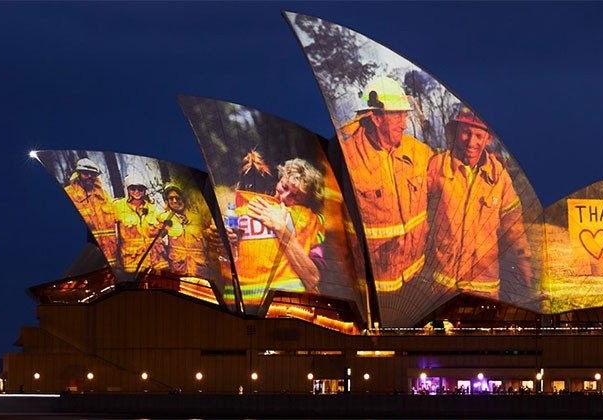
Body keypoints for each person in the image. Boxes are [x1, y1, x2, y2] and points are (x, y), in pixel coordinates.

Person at [425, 107, 534, 299]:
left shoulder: (499, 177)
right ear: (456, 132)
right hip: (441, 286)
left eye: (478, 135)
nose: (471, 142)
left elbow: (514, 226)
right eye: (466, 133)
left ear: (488, 138)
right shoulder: (437, 166)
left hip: (484, 286)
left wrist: (524, 262)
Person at [339, 76, 433, 292]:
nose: (404, 123)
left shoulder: (418, 152)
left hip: (415, 276)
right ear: (376, 118)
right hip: (375, 287)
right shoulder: (347, 158)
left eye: (405, 115)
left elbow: (445, 175)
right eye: (397, 115)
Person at [229, 158, 325, 308]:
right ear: (280, 178)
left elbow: (313, 278)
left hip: (287, 308)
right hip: (240, 304)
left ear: (306, 202)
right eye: (284, 186)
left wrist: (281, 228)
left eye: (295, 196)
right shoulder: (245, 205)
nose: (284, 197)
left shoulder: (308, 221)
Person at [63, 158, 117, 266]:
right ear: (78, 174)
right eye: (85, 173)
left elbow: (115, 214)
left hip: (110, 255)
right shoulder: (69, 193)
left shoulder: (103, 194)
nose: (89, 177)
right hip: (87, 255)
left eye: (92, 174)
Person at [158, 182, 212, 278]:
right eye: (171, 198)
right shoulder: (163, 218)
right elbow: (155, 244)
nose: (174, 201)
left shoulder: (199, 217)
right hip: (177, 273)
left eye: (178, 197)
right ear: (167, 201)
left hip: (200, 273)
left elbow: (213, 243)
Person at [112, 173, 162, 273]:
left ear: (144, 191)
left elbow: (163, 230)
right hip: (131, 261)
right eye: (133, 189)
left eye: (140, 189)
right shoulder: (118, 206)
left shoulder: (153, 208)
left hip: (154, 262)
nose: (136, 192)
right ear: (128, 190)